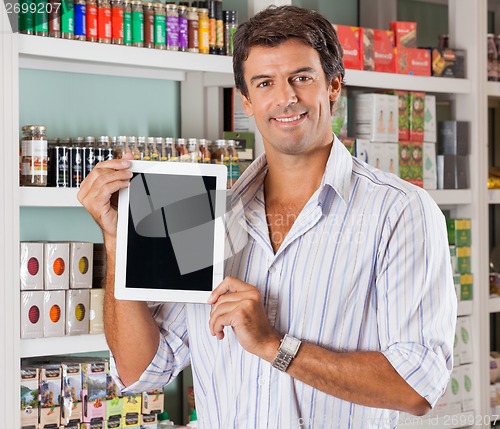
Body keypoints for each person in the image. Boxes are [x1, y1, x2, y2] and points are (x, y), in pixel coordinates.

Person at [78, 5, 456, 428]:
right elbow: (142, 370)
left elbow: (418, 385)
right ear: (247, 101)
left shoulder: (398, 211)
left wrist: (273, 344)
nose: (286, 98)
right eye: (265, 83)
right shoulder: (207, 216)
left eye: (302, 77)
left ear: (333, 86)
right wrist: (118, 242)